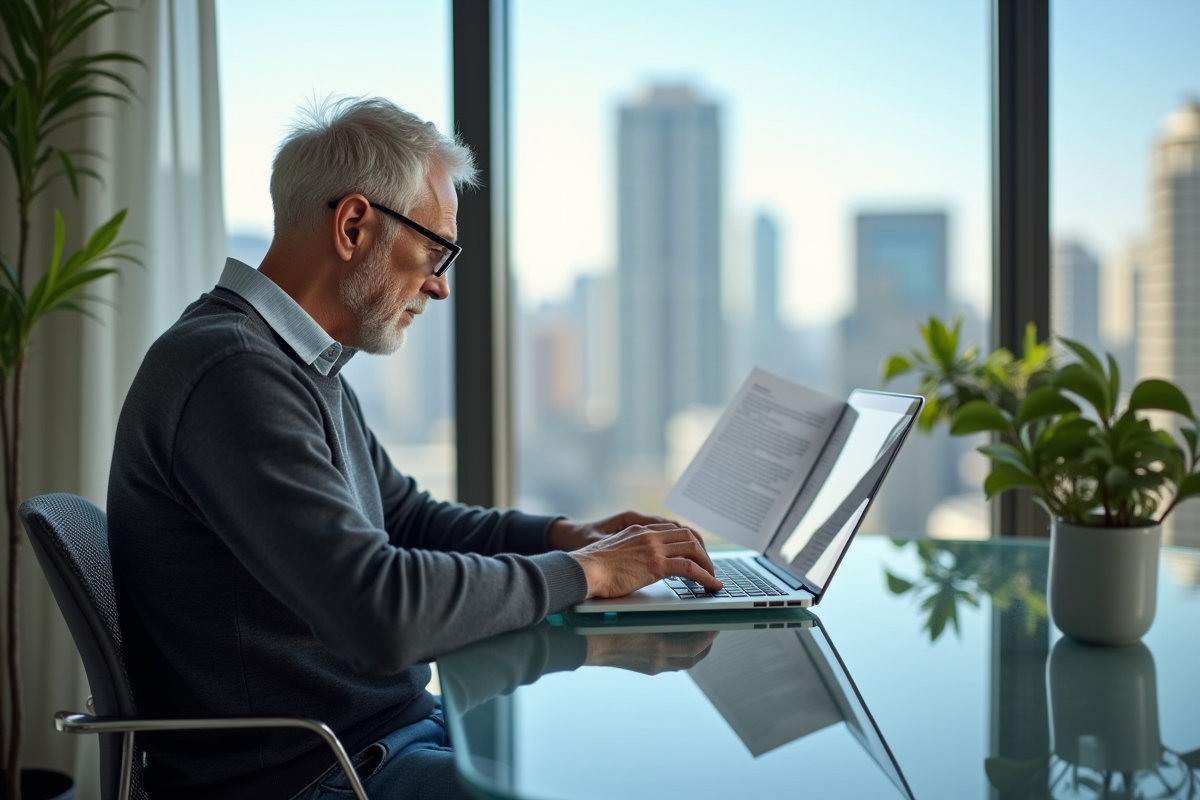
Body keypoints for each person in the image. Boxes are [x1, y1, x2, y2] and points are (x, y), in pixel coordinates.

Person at [106, 96, 723, 800]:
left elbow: (406, 519)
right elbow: (379, 614)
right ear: (354, 226)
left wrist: (564, 535)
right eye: (435, 250)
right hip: (316, 771)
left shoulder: (293, 363)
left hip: (375, 736)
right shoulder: (234, 373)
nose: (440, 285)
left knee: (624, 758)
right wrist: (587, 572)